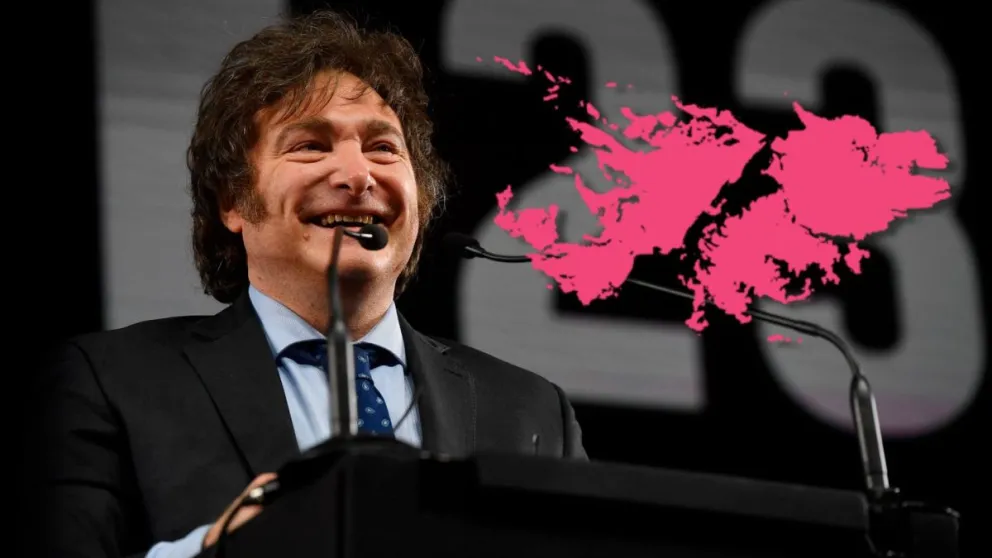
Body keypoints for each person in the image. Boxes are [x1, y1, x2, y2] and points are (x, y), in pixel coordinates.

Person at [39, 8, 586, 558]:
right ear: (233, 202)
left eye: (383, 148)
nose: (358, 175)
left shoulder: (532, 411)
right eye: (310, 145)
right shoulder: (108, 381)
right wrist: (216, 548)